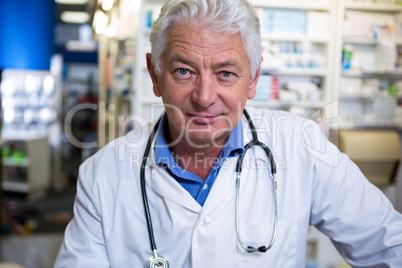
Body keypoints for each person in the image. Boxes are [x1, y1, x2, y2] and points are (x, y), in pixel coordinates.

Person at [54, 0, 402, 267]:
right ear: (154, 74)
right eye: (184, 71)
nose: (204, 97)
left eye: (225, 73)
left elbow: (389, 244)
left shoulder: (303, 146)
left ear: (253, 80)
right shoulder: (102, 175)